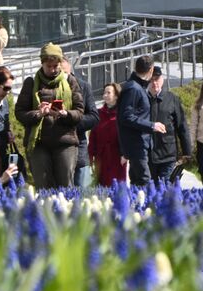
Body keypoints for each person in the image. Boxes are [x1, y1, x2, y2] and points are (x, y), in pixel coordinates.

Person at [15, 43, 84, 188]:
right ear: (42, 64)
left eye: (55, 66)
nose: (52, 70)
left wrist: (65, 113)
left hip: (65, 140)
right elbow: (20, 113)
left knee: (65, 183)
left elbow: (79, 112)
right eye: (49, 66)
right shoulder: (31, 83)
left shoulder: (70, 81)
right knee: (43, 183)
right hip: (39, 143)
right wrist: (38, 113)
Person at [117, 55, 166, 186]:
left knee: (138, 181)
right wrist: (151, 125)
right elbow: (126, 116)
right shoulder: (133, 88)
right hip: (135, 144)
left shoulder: (137, 87)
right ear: (150, 71)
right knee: (143, 181)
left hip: (139, 144)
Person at [60, 57, 99, 188]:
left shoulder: (83, 86)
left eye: (65, 73)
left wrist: (71, 120)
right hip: (58, 149)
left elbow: (94, 117)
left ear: (70, 70)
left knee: (83, 194)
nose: (63, 77)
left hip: (79, 148)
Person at [147, 66, 191, 182]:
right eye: (151, 79)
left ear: (162, 79)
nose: (154, 83)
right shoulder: (141, 99)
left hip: (167, 154)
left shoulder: (172, 99)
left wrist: (187, 152)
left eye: (157, 79)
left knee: (165, 190)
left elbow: (182, 126)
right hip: (147, 155)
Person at [89, 83, 127, 186]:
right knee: (102, 188)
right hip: (101, 158)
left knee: (117, 187)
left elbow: (127, 136)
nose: (105, 95)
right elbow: (93, 136)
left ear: (116, 95)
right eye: (104, 93)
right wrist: (91, 154)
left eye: (108, 93)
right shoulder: (99, 113)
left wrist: (125, 154)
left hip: (118, 158)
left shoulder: (123, 114)